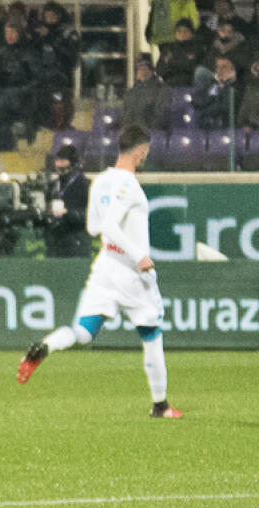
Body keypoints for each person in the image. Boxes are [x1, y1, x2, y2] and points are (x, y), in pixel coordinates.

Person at [18, 125, 182, 420]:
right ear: (141, 152)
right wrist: (139, 255)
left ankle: (45, 345)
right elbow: (108, 226)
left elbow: (94, 227)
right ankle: (161, 406)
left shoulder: (100, 181)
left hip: (105, 266)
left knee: (82, 332)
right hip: (131, 272)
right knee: (151, 335)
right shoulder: (129, 185)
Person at [44, 144, 91, 258]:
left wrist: (68, 213)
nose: (59, 165)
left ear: (74, 164)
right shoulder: (53, 185)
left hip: (76, 242)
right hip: (55, 242)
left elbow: (90, 215)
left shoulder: (85, 185)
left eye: (63, 161)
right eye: (58, 161)